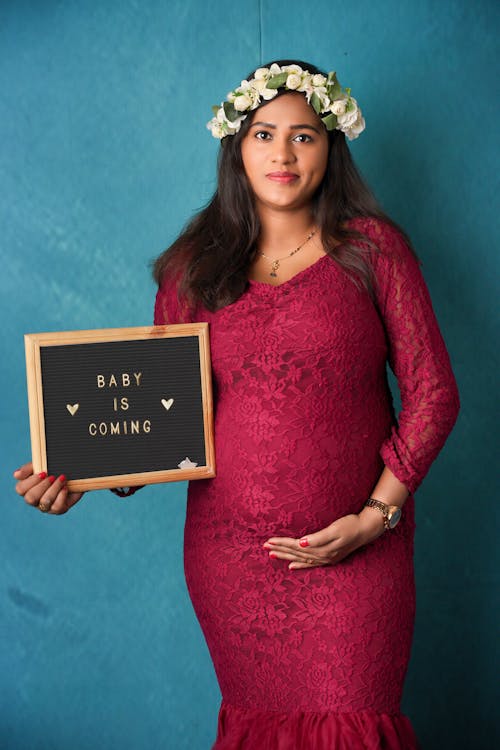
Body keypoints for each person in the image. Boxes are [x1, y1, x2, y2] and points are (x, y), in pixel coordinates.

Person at [14, 60, 460, 749]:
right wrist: (86, 476)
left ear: (332, 146)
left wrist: (377, 517)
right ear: (236, 146)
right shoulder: (193, 267)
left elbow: (434, 394)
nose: (282, 154)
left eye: (304, 136)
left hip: (360, 556)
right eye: (263, 134)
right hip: (233, 567)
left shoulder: (375, 251)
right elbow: (161, 423)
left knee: (354, 721)